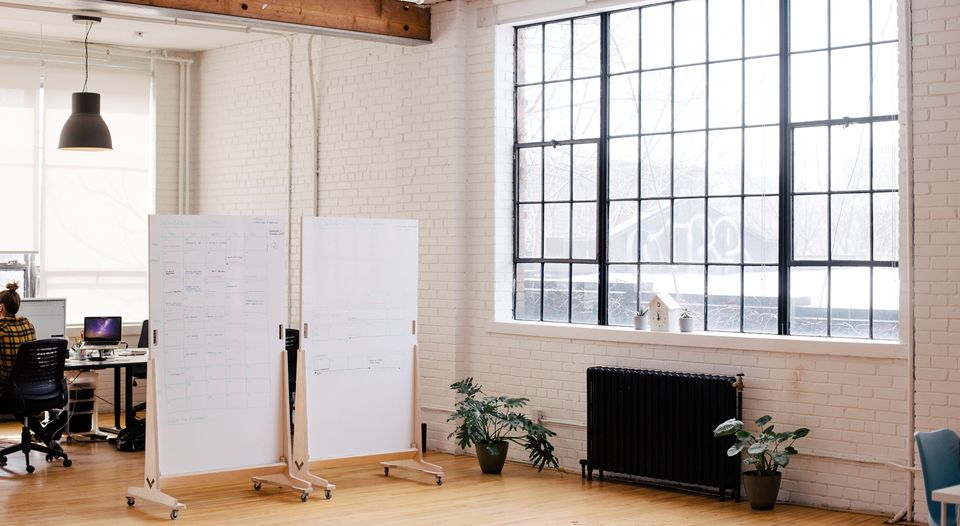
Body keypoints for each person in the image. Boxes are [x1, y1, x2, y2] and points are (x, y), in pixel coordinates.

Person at [0, 282, 66, 451]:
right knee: (17, 401)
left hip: (11, 391)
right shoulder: (28, 325)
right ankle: (46, 437)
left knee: (11, 394)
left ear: (1, 308)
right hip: (33, 389)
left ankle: (45, 435)